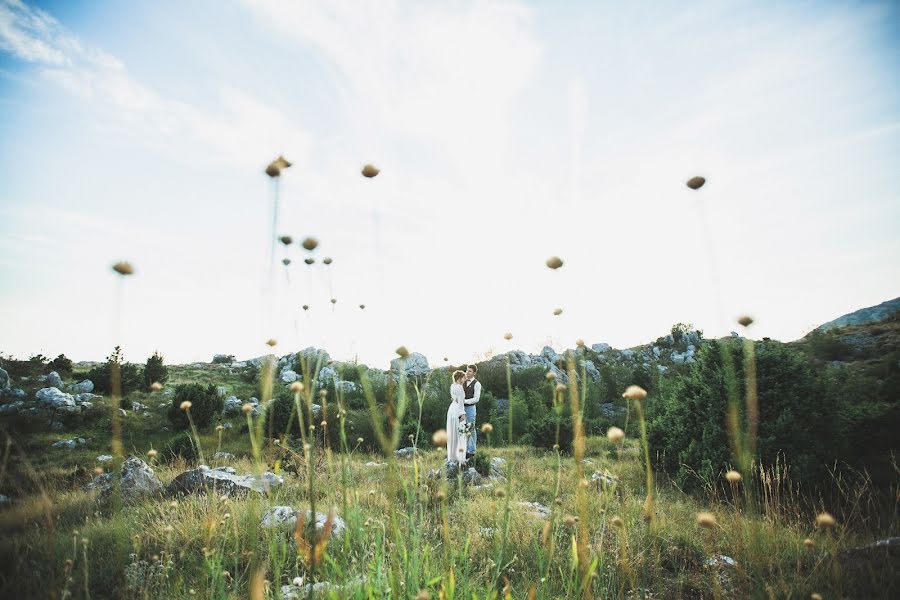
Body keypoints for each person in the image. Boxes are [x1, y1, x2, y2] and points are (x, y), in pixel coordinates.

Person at [446, 370, 468, 464]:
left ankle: (452, 456)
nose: (465, 379)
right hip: (457, 410)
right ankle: (460, 458)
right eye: (464, 377)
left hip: (452, 409)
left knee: (453, 433)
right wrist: (462, 414)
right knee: (460, 433)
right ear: (459, 378)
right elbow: (460, 402)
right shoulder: (459, 387)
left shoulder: (452, 386)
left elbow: (455, 399)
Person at [463, 364, 481, 461]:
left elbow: (476, 399)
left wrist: (465, 401)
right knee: (462, 429)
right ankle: (465, 449)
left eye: (470, 371)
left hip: (470, 408)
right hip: (461, 409)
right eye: (467, 370)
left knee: (471, 429)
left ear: (474, 373)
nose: (467, 372)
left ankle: (472, 451)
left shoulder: (477, 384)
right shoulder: (462, 381)